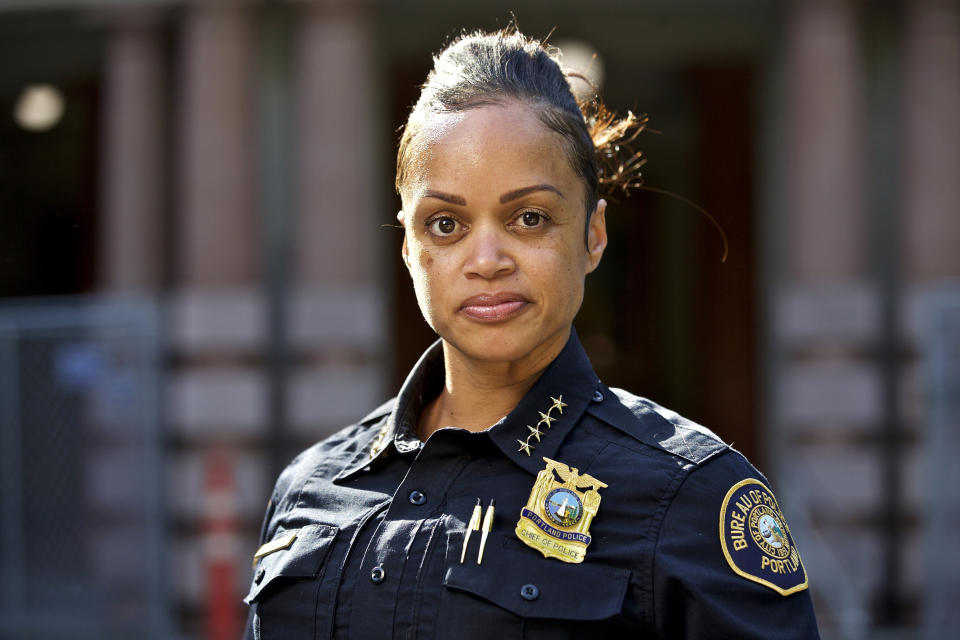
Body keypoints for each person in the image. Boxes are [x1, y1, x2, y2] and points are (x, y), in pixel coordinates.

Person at [243, 26, 820, 640]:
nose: (486, 259)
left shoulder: (692, 497)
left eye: (529, 218)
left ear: (593, 236)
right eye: (445, 223)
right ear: (409, 247)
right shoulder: (309, 486)